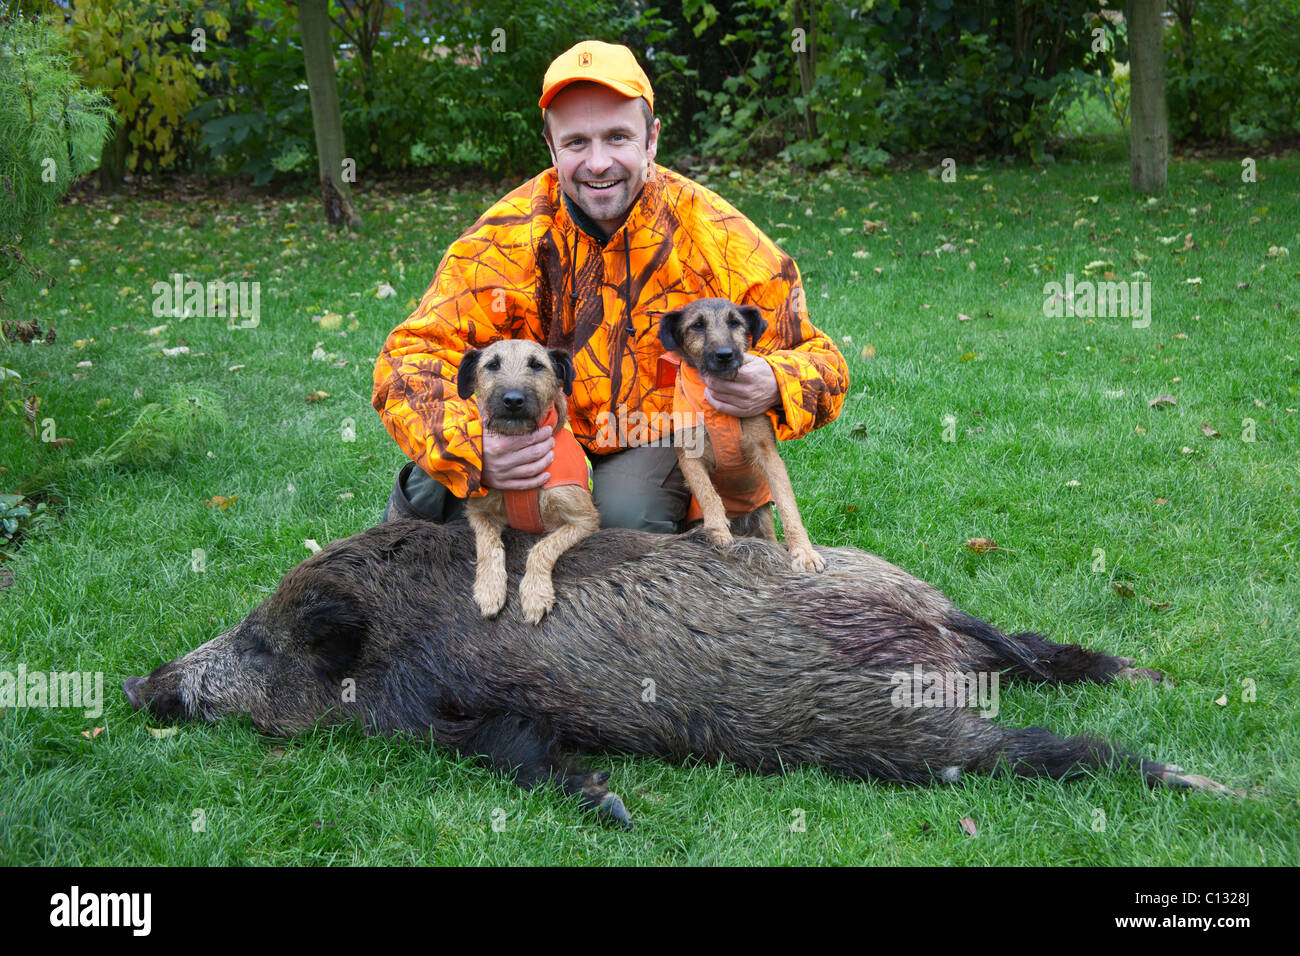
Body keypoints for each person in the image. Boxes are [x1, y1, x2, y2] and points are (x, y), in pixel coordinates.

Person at [373, 40, 848, 533]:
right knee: (432, 489)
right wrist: (473, 446)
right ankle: (389, 585)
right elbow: (408, 357)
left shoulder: (717, 235)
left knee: (628, 517)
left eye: (618, 137)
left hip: (648, 434)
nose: (598, 163)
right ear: (551, 147)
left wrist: (773, 380)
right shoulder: (504, 239)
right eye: (577, 142)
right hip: (531, 422)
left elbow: (821, 360)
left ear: (652, 140)